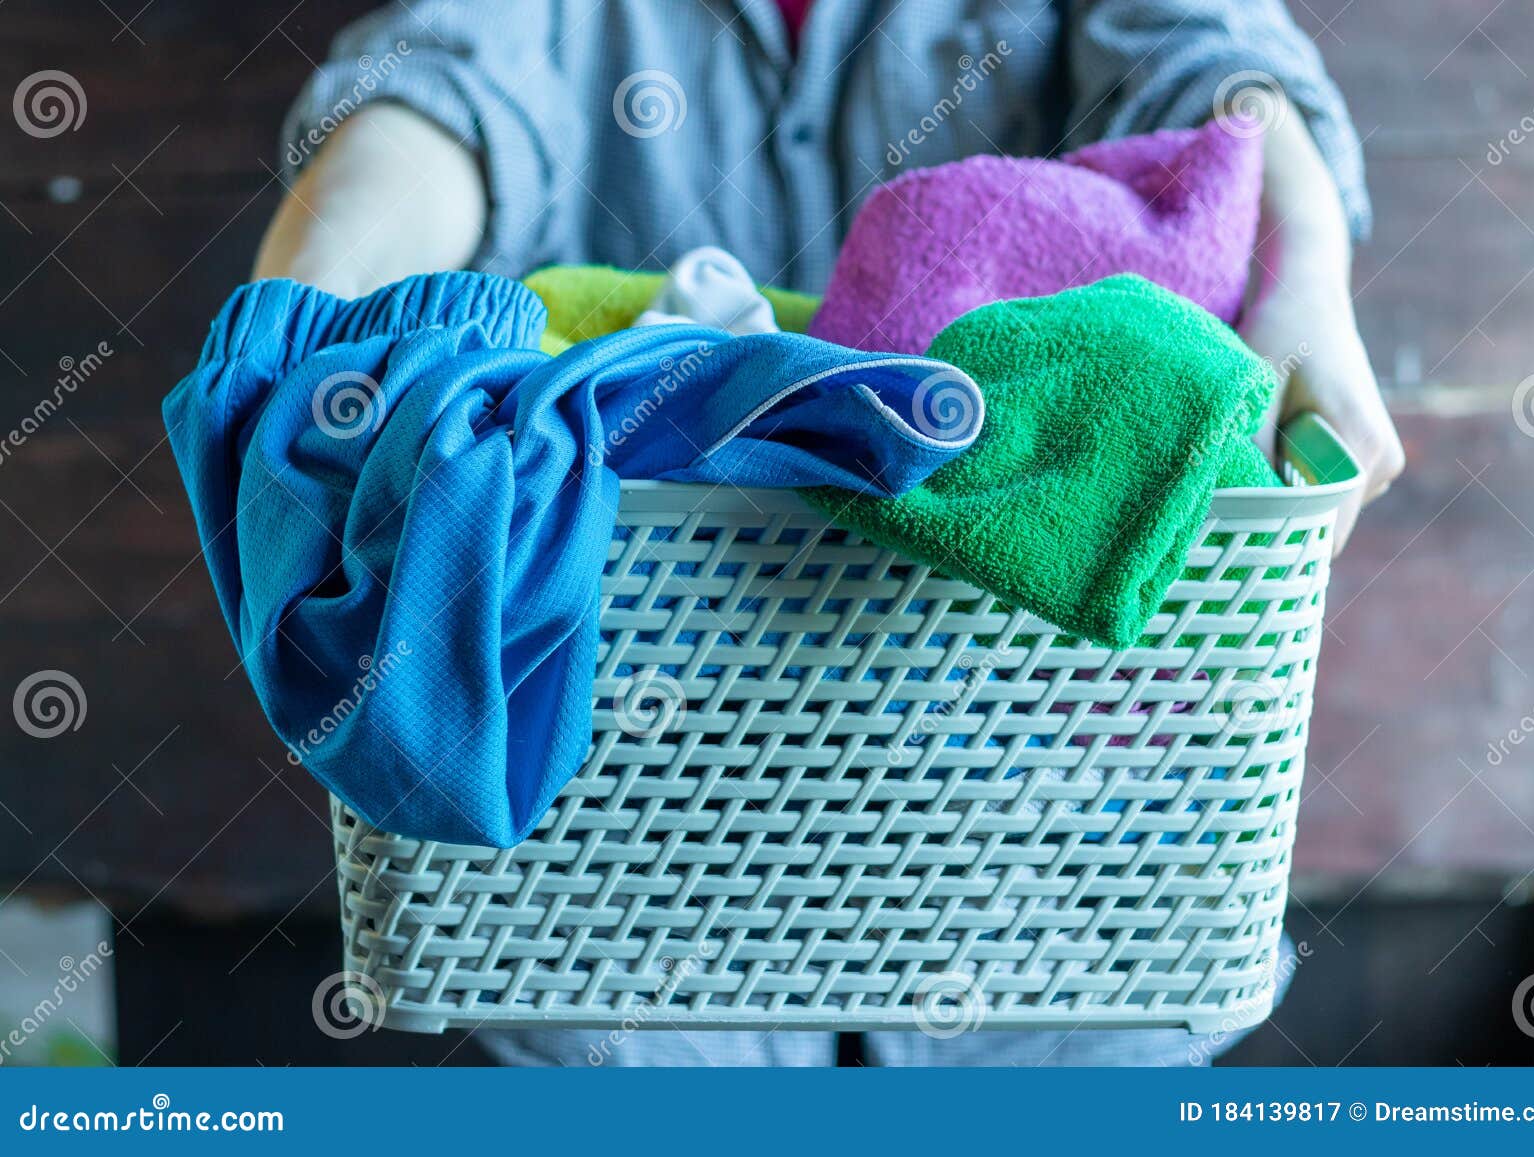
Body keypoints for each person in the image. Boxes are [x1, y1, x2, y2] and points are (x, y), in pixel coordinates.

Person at [256, 0, 1401, 1066]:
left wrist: (1304, 280)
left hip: (1051, 870)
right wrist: (320, 308)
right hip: (632, 863)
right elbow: (449, 85)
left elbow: (1208, 61)